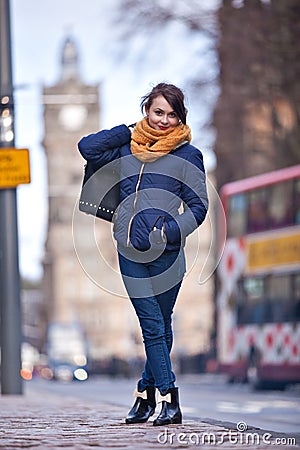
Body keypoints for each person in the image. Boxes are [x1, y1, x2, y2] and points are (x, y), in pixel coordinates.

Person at [78, 83, 208, 426]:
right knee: (152, 326)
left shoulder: (188, 155)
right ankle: (170, 399)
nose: (164, 120)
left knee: (161, 328)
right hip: (129, 251)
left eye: (172, 114)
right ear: (146, 111)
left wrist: (169, 232)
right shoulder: (126, 148)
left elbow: (199, 206)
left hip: (168, 254)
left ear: (181, 117)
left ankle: (144, 396)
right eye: (158, 112)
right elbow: (87, 147)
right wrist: (126, 130)